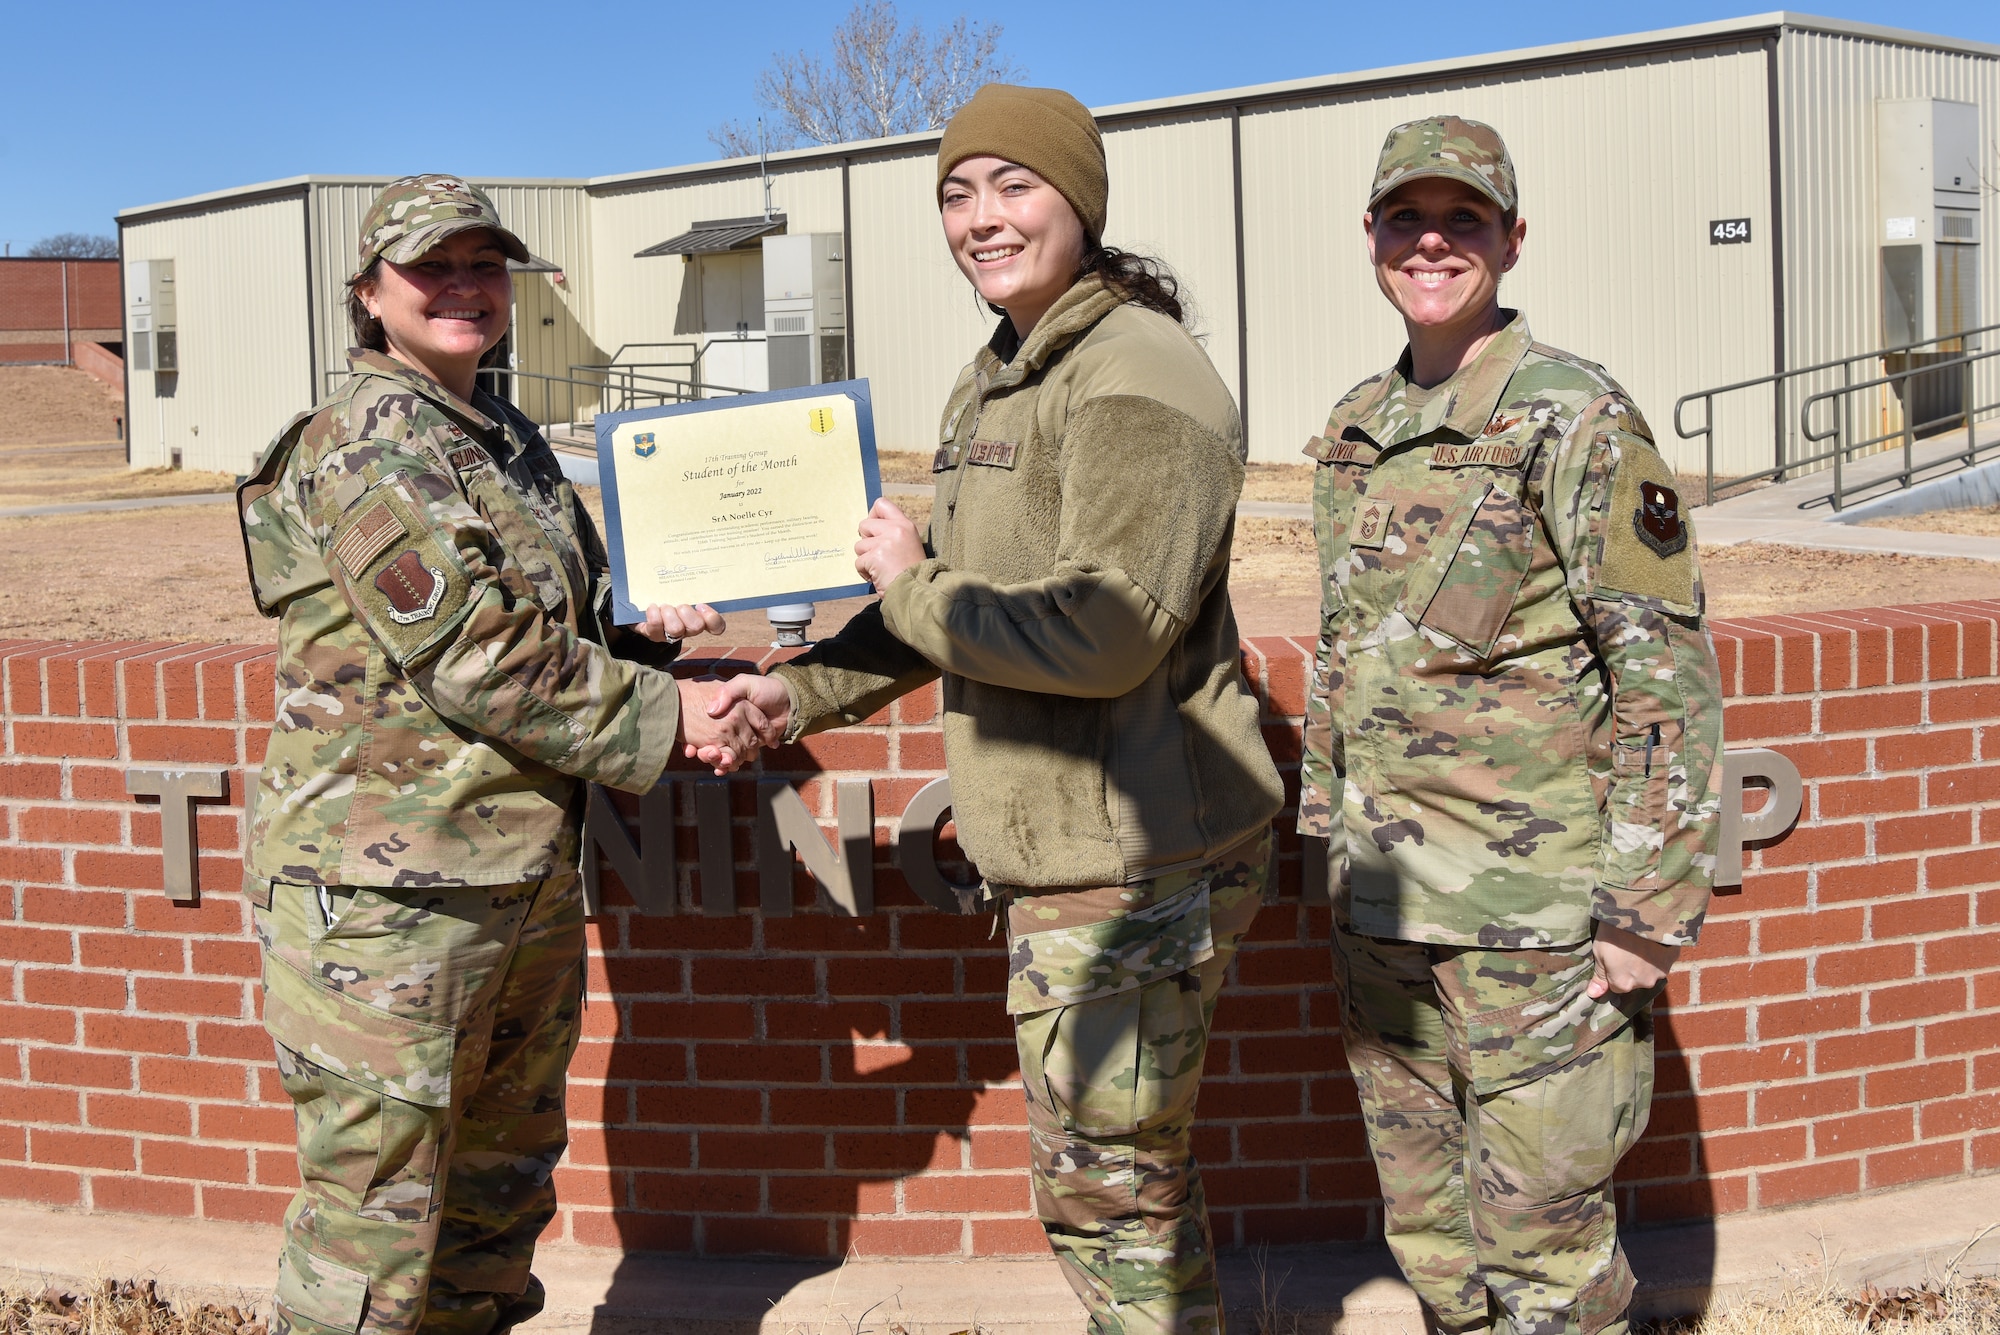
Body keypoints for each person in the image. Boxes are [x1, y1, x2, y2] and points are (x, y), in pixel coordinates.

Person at [711, 85, 1284, 1335]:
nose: (981, 219)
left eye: (1013, 187)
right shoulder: (998, 376)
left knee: (1108, 1196)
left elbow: (1104, 630)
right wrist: (792, 688)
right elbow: (943, 605)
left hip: (1134, 859)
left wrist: (913, 581)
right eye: (956, 195)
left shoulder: (1136, 374)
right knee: (1112, 1192)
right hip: (1066, 847)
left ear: (1078, 202)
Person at [235, 175, 769, 1335]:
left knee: (490, 1211)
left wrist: (646, 634)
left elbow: (555, 624)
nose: (464, 287)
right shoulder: (363, 443)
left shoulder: (502, 437)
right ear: (369, 294)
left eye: (484, 265)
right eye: (432, 267)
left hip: (509, 879)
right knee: (373, 1241)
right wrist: (675, 719)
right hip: (385, 905)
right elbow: (476, 655)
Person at [1298, 116, 1723, 1335]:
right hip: (1381, 908)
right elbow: (1347, 650)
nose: (1430, 243)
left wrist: (1643, 912)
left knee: (1545, 1255)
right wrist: (1325, 833)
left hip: (1530, 923)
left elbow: (1662, 672)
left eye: (1463, 221)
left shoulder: (1572, 416)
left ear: (1511, 240)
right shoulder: (1356, 427)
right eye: (1404, 219)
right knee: (1429, 1235)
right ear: (1370, 239)